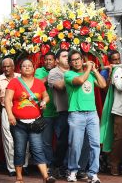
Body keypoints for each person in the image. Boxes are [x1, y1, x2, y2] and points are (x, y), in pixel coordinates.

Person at [4, 59, 52, 183]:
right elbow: (7, 99)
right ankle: (19, 178)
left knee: (38, 149)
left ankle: (45, 177)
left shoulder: (39, 83)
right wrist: (10, 115)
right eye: (24, 66)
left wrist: (44, 101)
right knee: (20, 149)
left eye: (29, 66)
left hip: (35, 123)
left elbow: (46, 96)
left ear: (33, 68)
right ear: (20, 69)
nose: (27, 68)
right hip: (18, 123)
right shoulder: (14, 82)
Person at [65, 50, 106, 183]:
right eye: (73, 60)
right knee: (75, 145)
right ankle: (72, 171)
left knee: (95, 144)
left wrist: (94, 70)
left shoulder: (90, 73)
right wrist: (88, 68)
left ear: (82, 60)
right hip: (76, 114)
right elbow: (80, 81)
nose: (76, 62)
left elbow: (103, 84)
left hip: (92, 114)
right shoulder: (68, 74)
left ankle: (93, 173)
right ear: (70, 63)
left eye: (78, 59)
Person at [0, 58, 24, 177]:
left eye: (8, 66)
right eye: (4, 66)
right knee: (8, 140)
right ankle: (11, 168)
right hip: (6, 110)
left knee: (23, 139)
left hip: (21, 110)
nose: (6, 69)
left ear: (13, 66)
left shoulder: (20, 77)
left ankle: (23, 166)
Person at [34, 52, 58, 181]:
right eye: (46, 60)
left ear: (55, 61)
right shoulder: (39, 71)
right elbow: (39, 84)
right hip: (46, 113)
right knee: (46, 142)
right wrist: (53, 74)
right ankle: (49, 165)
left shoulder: (60, 70)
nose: (48, 62)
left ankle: (59, 164)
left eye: (51, 60)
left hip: (60, 111)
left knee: (62, 140)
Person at [47, 49, 70, 177]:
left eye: (69, 56)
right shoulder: (54, 72)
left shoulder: (75, 71)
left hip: (78, 110)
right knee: (63, 142)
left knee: (77, 142)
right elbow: (60, 86)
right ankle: (57, 166)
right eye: (64, 56)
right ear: (57, 60)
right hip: (64, 111)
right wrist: (72, 74)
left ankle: (71, 168)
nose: (67, 58)